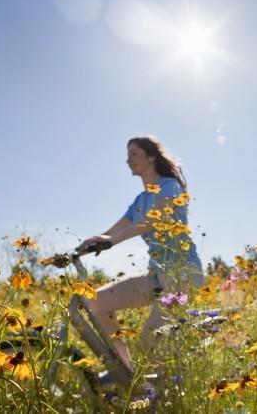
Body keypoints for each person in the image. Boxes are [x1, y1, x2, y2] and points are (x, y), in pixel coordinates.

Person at [78, 135, 203, 372]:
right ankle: (127, 371)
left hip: (182, 273)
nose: (128, 159)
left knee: (150, 338)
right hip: (156, 275)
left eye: (134, 153)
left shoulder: (169, 185)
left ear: (151, 156)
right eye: (127, 155)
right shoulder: (139, 200)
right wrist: (81, 249)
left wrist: (111, 241)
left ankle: (156, 395)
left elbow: (152, 221)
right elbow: (110, 233)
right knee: (94, 302)